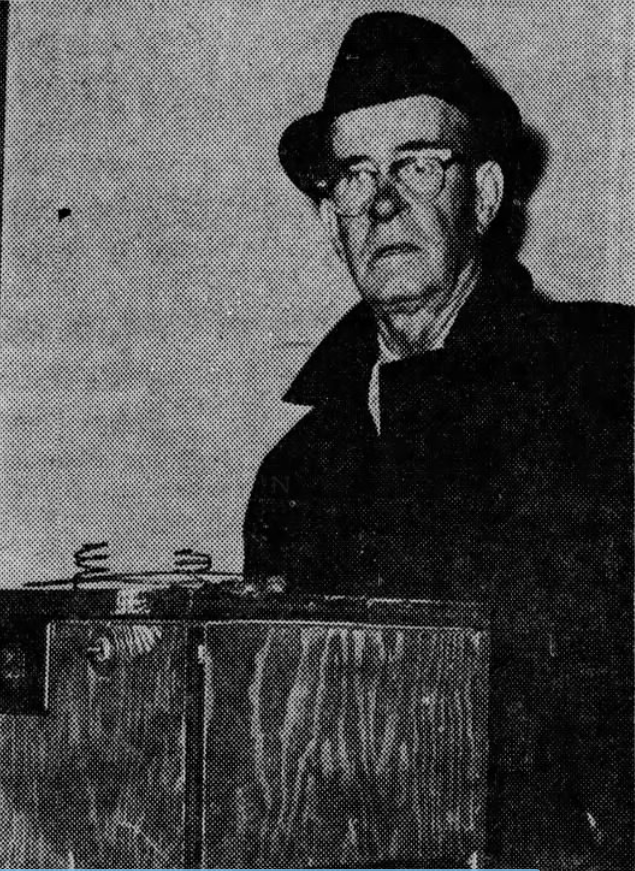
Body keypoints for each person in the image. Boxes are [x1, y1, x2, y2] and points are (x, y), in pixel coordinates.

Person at [243, 11, 633, 869]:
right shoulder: (296, 473)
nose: (382, 201)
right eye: (353, 175)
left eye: (418, 164)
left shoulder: (610, 381)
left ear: (484, 197)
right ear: (329, 220)